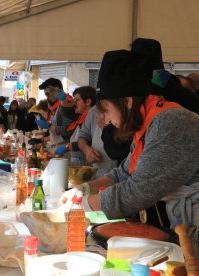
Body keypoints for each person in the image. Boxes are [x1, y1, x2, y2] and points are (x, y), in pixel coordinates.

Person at [62, 50, 199, 236]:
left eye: (107, 110)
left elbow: (138, 191)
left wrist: (85, 204)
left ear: (127, 101)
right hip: (184, 222)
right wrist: (83, 189)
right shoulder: (145, 125)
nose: (107, 120)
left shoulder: (170, 122)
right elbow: (123, 174)